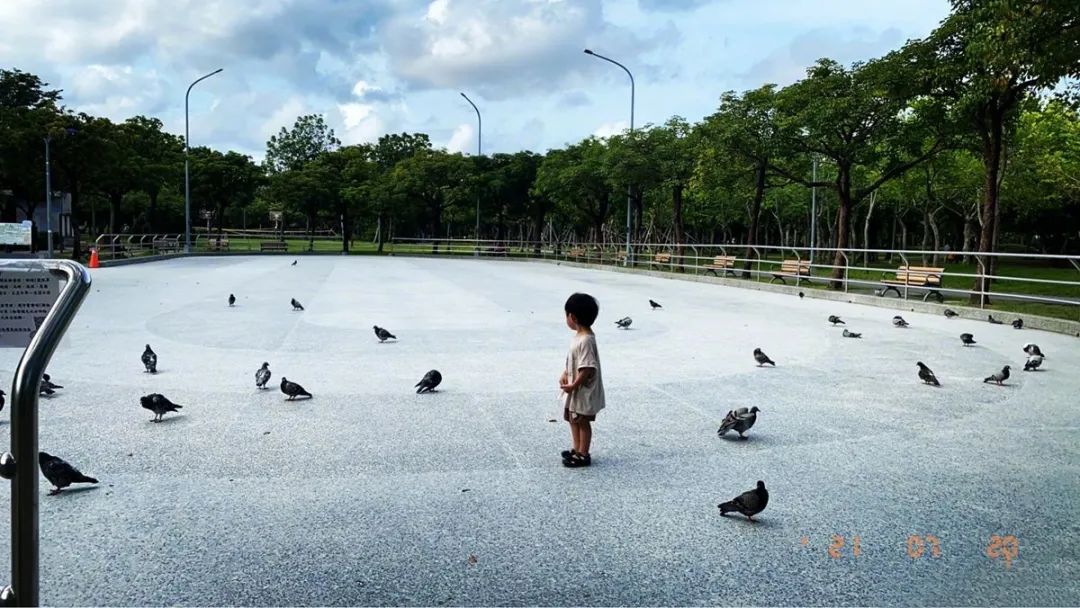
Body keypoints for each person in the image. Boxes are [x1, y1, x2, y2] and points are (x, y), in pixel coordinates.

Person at [559, 293, 606, 468]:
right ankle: (576, 448)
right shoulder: (580, 336)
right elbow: (575, 361)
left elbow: (587, 368)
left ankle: (583, 453)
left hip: (582, 390)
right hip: (575, 389)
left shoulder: (585, 340)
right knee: (573, 418)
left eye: (566, 315)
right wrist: (565, 372)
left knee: (582, 421)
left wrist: (574, 385)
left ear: (572, 317)